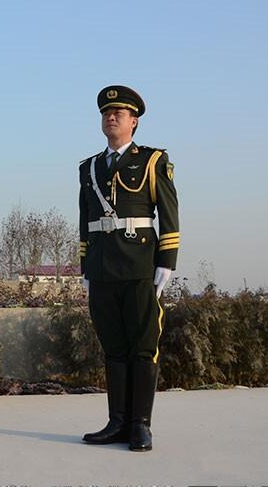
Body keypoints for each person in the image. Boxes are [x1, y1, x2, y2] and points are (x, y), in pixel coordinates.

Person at [78, 85, 179, 452]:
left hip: (140, 267)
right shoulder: (88, 167)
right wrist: (85, 267)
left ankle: (141, 425)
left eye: (119, 113)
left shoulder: (153, 161)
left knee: (142, 348)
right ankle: (117, 422)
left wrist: (167, 262)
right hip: (103, 269)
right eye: (107, 112)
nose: (111, 116)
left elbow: (168, 214)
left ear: (133, 121)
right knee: (114, 347)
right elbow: (85, 220)